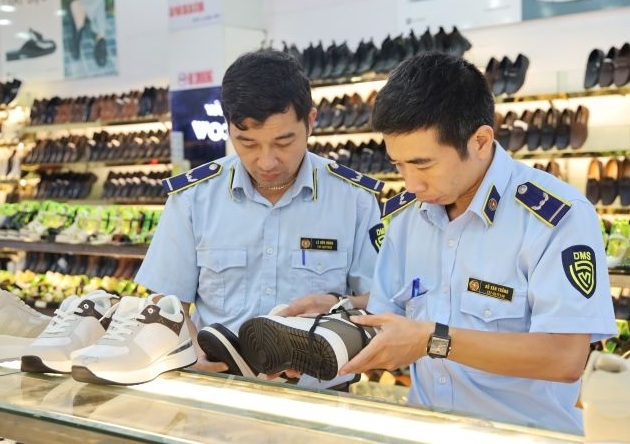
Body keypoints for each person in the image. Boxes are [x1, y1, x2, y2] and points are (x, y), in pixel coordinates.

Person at [332, 52, 617, 434]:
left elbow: (565, 358)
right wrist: (334, 315)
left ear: (480, 141)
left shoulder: (555, 217)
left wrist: (435, 340)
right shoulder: (405, 218)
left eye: (424, 164)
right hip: (424, 432)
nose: (412, 184)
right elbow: (390, 318)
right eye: (399, 165)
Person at [134, 49, 384, 384]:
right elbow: (166, 300)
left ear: (310, 122)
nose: (267, 161)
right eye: (248, 143)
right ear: (228, 128)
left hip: (319, 397)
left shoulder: (355, 199)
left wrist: (339, 305)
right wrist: (188, 344)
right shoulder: (193, 198)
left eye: (283, 142)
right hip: (219, 391)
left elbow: (382, 303)